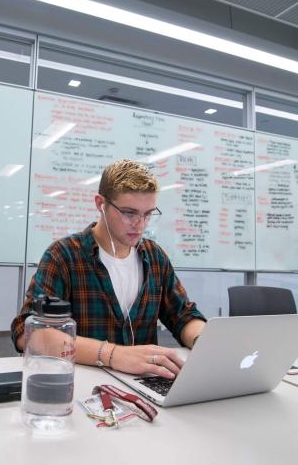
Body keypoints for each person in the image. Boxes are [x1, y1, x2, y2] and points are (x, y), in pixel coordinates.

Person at [11, 159, 206, 380]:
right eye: (129, 213)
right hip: (81, 385)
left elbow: (183, 316)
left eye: (148, 214)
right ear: (100, 204)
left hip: (143, 385)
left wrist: (205, 343)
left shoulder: (155, 257)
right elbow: (29, 334)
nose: (140, 224)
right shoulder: (64, 255)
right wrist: (113, 354)